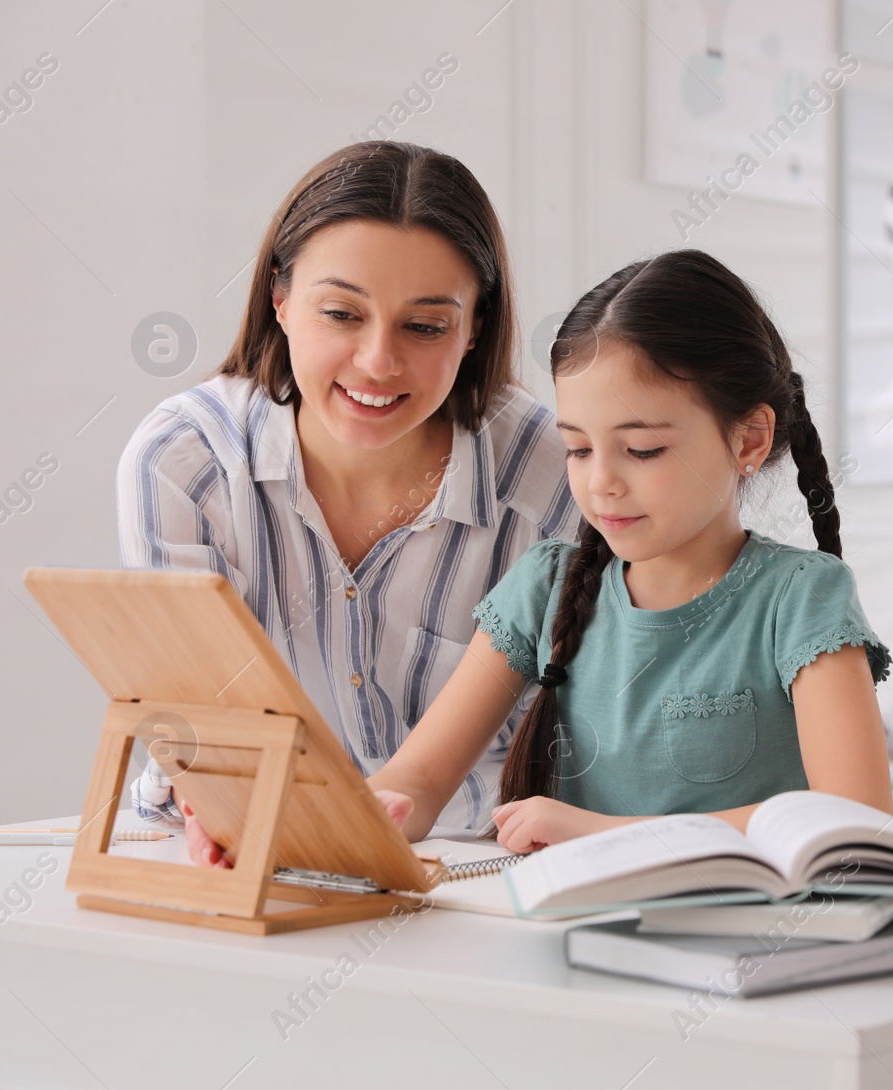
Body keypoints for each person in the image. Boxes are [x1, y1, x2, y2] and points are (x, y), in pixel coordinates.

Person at [117, 141, 576, 862]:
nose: (378, 362)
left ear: (475, 326)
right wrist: (222, 803)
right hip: (242, 846)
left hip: (480, 864)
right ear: (280, 298)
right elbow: (194, 725)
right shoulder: (185, 463)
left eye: (424, 326)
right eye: (341, 314)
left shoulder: (556, 474)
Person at [366, 249, 893, 850]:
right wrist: (327, 824)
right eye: (579, 449)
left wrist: (605, 835)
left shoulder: (802, 598)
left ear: (749, 439)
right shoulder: (544, 587)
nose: (601, 484)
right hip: (574, 933)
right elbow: (418, 780)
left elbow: (853, 818)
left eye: (642, 450)